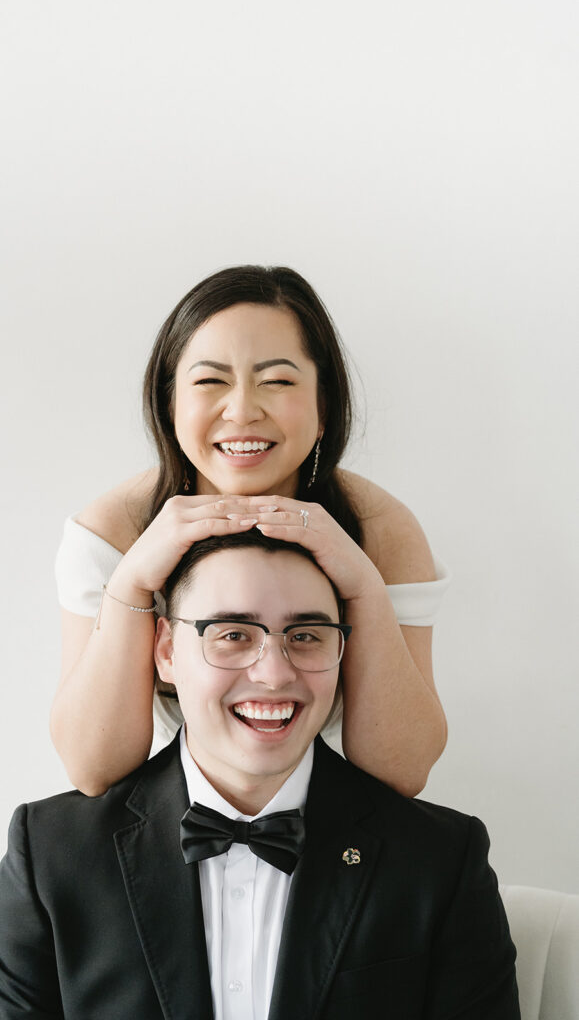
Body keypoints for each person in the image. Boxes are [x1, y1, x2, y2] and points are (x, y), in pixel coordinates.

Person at [0, 531, 518, 1019]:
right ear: (165, 651)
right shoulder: (49, 852)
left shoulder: (440, 858)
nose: (275, 674)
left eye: (306, 635)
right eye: (231, 634)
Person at [52, 265, 450, 798]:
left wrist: (362, 585)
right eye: (210, 381)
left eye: (278, 381)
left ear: (323, 405)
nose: (242, 411)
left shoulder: (382, 530)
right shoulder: (112, 531)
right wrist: (131, 584)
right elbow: (93, 769)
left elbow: (402, 771)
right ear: (170, 402)